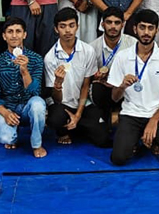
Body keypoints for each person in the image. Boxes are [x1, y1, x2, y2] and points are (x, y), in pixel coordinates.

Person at [109, 9, 159, 165]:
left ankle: (149, 137)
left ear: (157, 30)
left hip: (156, 113)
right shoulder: (122, 57)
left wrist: (153, 120)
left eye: (150, 28)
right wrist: (122, 86)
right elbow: (114, 98)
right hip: (131, 114)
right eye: (142, 27)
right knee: (118, 158)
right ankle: (137, 138)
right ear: (135, 29)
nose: (146, 32)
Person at [44, 8, 110, 147]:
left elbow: (86, 85)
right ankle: (68, 129)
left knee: (103, 138)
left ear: (77, 27)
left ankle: (75, 125)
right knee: (55, 119)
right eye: (62, 26)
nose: (68, 30)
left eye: (71, 25)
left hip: (82, 103)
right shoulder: (50, 57)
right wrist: (58, 84)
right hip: (62, 105)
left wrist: (78, 114)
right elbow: (56, 99)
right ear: (56, 29)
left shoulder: (88, 50)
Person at [0, 18, 48, 158]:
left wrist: (25, 71)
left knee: (38, 104)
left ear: (24, 34)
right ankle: (12, 134)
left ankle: (37, 144)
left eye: (18, 31)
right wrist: (5, 113)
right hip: (9, 108)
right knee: (6, 138)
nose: (14, 35)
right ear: (4, 36)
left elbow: (35, 92)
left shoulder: (36, 59)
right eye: (10, 32)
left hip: (28, 107)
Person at [88, 7, 138, 130]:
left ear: (123, 25)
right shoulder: (92, 47)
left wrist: (119, 81)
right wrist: (96, 77)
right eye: (109, 22)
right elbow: (88, 76)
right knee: (96, 89)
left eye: (117, 23)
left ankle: (125, 117)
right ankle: (105, 117)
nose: (113, 26)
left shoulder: (133, 44)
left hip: (126, 86)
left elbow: (139, 70)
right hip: (104, 87)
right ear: (102, 24)